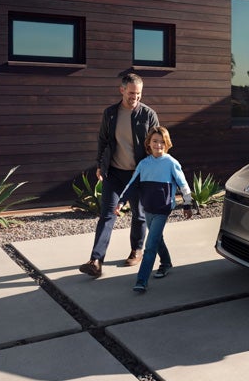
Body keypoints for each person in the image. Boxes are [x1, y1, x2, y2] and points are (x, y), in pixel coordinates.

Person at [79, 73, 159, 278]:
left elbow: (157, 143)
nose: (135, 97)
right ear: (121, 90)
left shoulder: (148, 115)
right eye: (132, 92)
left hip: (138, 174)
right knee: (107, 214)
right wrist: (100, 164)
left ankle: (137, 250)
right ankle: (96, 260)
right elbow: (103, 140)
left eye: (139, 93)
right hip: (114, 172)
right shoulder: (111, 113)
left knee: (139, 215)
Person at [114, 126, 193, 292]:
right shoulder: (144, 164)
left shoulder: (171, 163)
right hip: (147, 208)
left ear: (167, 143)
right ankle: (166, 263)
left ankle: (141, 281)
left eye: (162, 142)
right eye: (155, 141)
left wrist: (187, 204)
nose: (158, 144)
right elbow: (132, 184)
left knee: (150, 245)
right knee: (157, 239)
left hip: (163, 209)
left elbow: (184, 185)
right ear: (148, 143)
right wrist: (121, 201)